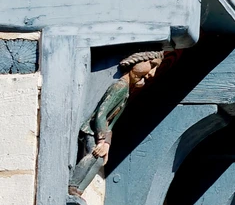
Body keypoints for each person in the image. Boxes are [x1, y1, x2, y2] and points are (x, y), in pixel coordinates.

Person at [68, 51, 168, 197]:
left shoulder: (126, 92)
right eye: (151, 65)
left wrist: (107, 144)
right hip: (91, 129)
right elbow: (101, 115)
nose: (152, 74)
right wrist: (102, 141)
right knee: (95, 156)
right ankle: (73, 185)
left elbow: (112, 122)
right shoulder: (119, 87)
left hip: (99, 131)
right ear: (137, 61)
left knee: (99, 158)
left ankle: (76, 190)